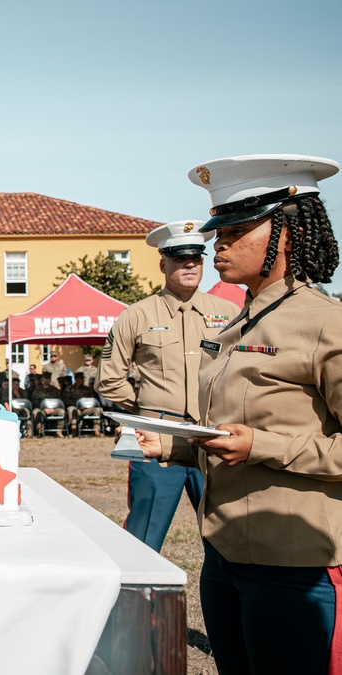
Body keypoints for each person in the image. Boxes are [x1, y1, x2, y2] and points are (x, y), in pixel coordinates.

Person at [130, 154, 342, 673]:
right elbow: (232, 421)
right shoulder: (241, 320)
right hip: (225, 556)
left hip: (295, 563)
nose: (218, 244)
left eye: (237, 230)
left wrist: (261, 446)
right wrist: (175, 443)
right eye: (218, 230)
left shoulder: (324, 323)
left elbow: (265, 435)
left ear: (288, 234)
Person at [97, 219, 240, 553]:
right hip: (156, 436)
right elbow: (110, 378)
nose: (189, 265)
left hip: (211, 433)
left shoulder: (229, 313)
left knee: (228, 537)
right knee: (144, 536)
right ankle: (136, 597)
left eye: (196, 258)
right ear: (164, 264)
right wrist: (146, 409)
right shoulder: (136, 314)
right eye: (179, 258)